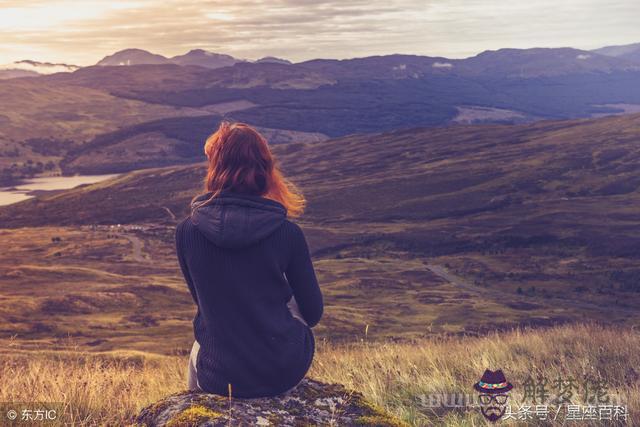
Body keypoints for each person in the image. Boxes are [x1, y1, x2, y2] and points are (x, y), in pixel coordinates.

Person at [175, 121, 323, 398]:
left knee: (201, 342)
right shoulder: (287, 233)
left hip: (218, 378)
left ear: (215, 168)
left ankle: (198, 411)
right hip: (282, 371)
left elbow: (204, 304)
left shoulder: (187, 231)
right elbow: (312, 313)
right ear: (265, 169)